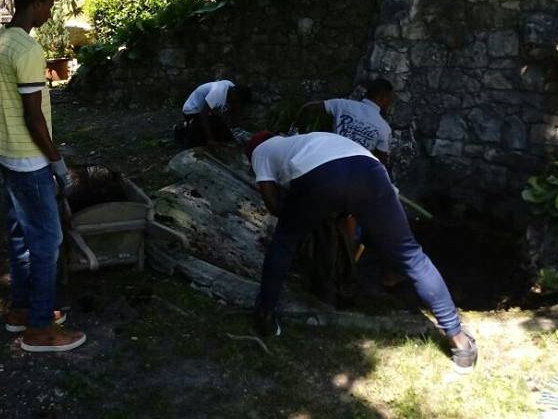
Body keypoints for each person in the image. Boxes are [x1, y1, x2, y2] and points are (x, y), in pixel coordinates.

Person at [245, 130, 477, 373]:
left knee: (284, 243)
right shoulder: (306, 140)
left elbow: (272, 205)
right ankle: (459, 342)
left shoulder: (260, 150)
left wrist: (296, 217)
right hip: (370, 171)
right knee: (412, 257)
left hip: (320, 175)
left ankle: (265, 315)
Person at [0, 0, 86, 354]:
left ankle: (20, 308)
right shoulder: (28, 49)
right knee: (48, 240)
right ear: (35, 3)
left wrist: (1, 96)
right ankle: (39, 329)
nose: (50, 10)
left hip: (3, 149)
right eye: (49, 3)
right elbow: (35, 120)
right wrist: (57, 162)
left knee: (20, 232)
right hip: (28, 158)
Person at [295, 78, 394, 165]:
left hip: (329, 161)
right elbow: (382, 160)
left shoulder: (342, 104)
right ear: (382, 98)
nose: (389, 104)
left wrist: (295, 133)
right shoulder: (384, 128)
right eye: (389, 99)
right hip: (354, 173)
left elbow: (308, 108)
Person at [177, 79, 251, 147]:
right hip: (192, 111)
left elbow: (233, 110)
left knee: (222, 129)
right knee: (203, 136)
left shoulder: (230, 86)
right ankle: (185, 127)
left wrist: (235, 128)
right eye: (237, 100)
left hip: (206, 111)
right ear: (235, 93)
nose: (236, 103)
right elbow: (203, 114)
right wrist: (210, 139)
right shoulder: (217, 93)